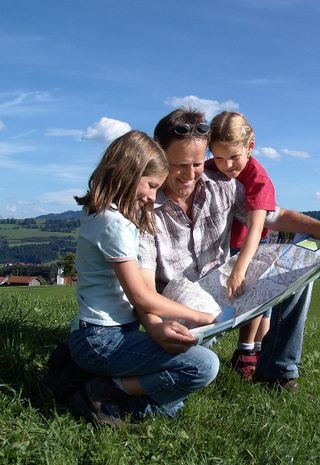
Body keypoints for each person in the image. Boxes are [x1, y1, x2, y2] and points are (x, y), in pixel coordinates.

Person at [140, 108, 320, 390]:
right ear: (159, 157)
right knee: (198, 366)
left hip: (221, 288)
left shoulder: (222, 186)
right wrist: (154, 325)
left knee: (300, 274)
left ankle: (279, 372)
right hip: (180, 307)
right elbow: (142, 290)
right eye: (179, 165)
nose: (190, 174)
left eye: (197, 163)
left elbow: (275, 216)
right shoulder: (145, 205)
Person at [68, 130, 219, 427]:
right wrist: (201, 316)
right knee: (203, 365)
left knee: (190, 350)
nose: (152, 196)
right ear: (128, 173)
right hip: (100, 341)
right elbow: (141, 296)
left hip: (109, 334)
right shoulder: (112, 223)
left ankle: (127, 399)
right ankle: (102, 393)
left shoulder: (107, 215)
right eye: (151, 185)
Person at [206, 111, 274, 380]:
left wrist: (240, 269)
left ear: (250, 146)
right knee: (250, 300)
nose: (226, 165)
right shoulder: (210, 168)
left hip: (253, 243)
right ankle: (254, 351)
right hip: (223, 243)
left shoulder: (258, 178)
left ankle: (249, 350)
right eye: (219, 157)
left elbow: (256, 229)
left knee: (258, 297)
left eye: (234, 157)